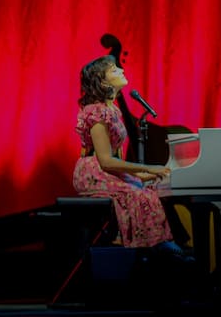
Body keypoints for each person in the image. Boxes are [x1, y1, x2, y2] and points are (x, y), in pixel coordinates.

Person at [72, 54, 188, 256]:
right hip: (93, 173)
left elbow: (116, 160)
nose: (122, 70)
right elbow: (106, 161)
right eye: (114, 70)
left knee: (152, 188)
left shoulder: (113, 110)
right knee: (141, 195)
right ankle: (149, 247)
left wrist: (143, 175)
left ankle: (158, 246)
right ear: (103, 82)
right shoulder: (96, 111)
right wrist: (148, 168)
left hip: (106, 170)